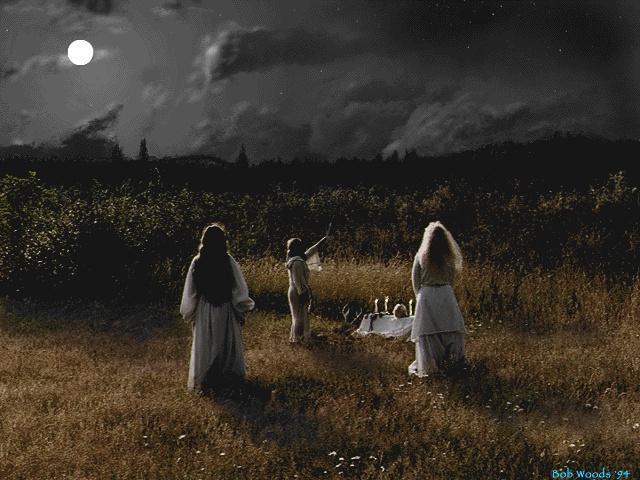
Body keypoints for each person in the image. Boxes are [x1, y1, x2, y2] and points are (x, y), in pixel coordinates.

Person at [180, 223, 255, 392]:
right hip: (225, 308)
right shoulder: (227, 260)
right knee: (224, 344)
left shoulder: (198, 261)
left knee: (207, 345)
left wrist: (190, 311)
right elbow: (238, 287)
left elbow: (191, 291)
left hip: (205, 309)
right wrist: (241, 307)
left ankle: (208, 381)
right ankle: (226, 380)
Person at [409, 221, 466, 377]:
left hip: (427, 296)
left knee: (428, 332)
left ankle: (430, 366)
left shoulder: (420, 256)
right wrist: (445, 290)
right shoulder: (449, 257)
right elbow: (452, 279)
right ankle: (453, 363)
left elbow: (415, 281)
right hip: (446, 294)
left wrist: (420, 296)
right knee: (450, 327)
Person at [285, 235, 329, 343]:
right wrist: (303, 293)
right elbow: (298, 280)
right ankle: (297, 340)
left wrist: (323, 240)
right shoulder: (297, 262)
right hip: (297, 291)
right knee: (299, 316)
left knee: (298, 315)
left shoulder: (295, 259)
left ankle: (298, 339)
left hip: (295, 290)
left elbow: (311, 251)